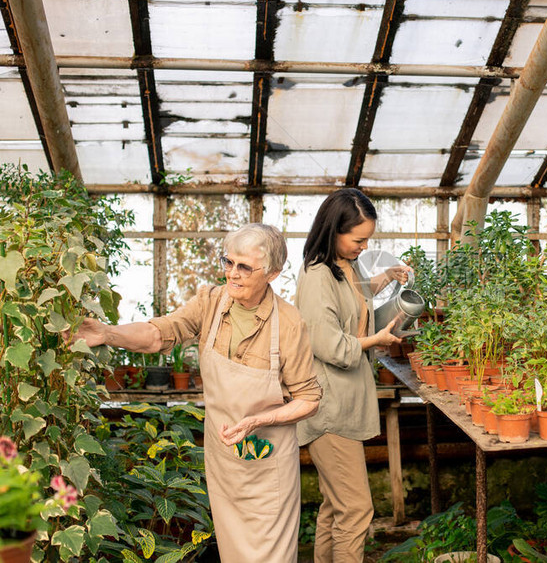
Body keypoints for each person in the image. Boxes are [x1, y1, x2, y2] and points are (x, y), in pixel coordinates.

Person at [69, 224, 321, 562]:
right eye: (228, 262)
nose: (232, 274)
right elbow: (160, 334)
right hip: (224, 461)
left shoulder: (289, 323)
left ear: (273, 272)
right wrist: (107, 333)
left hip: (268, 466)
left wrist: (259, 419)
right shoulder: (212, 303)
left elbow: (309, 399)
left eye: (244, 266)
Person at [296, 188, 411, 563]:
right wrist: (374, 340)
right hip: (329, 409)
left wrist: (388, 277)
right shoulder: (316, 275)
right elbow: (327, 343)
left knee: (335, 506)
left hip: (345, 405)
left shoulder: (346, 265)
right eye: (358, 239)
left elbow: (357, 295)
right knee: (357, 509)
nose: (363, 246)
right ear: (333, 230)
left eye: (368, 240)